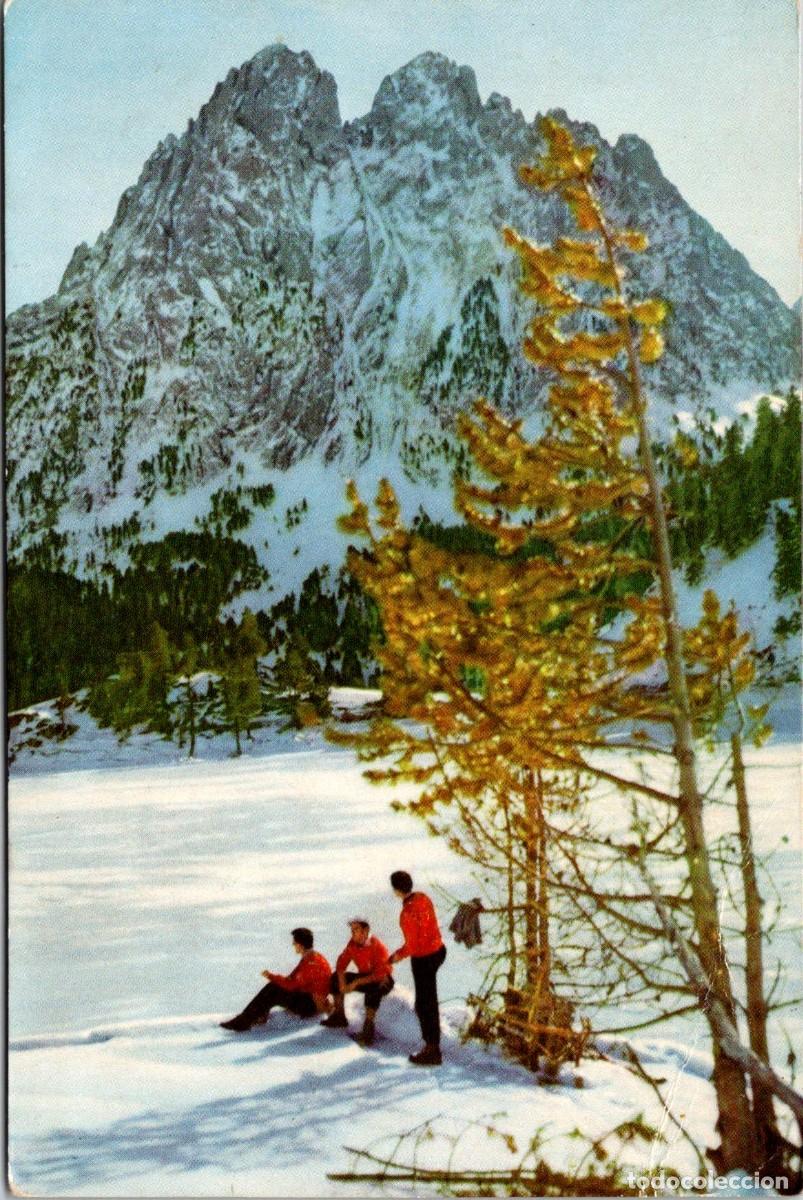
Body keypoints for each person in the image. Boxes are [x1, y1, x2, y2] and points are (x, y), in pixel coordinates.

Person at [220, 927, 332, 1032]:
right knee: (274, 987)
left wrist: (272, 977)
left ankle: (245, 1021)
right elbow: (293, 979)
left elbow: (291, 984)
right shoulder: (313, 957)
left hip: (310, 1005)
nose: (293, 945)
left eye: (294, 943)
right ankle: (253, 1016)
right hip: (309, 998)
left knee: (273, 988)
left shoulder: (311, 963)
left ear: (300, 945)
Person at [387, 871, 446, 1066]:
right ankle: (432, 1044)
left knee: (426, 1004)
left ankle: (432, 1049)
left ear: (396, 890)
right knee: (426, 1001)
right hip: (438, 951)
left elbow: (412, 945)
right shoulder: (423, 897)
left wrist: (395, 957)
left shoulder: (407, 913)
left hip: (424, 959)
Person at [321, 917, 394, 1046]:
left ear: (366, 931)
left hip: (383, 979)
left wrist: (355, 983)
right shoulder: (352, 944)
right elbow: (341, 963)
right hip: (364, 977)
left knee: (375, 988)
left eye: (356, 929)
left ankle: (368, 1030)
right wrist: (342, 983)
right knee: (335, 978)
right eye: (352, 930)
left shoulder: (377, 946)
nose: (352, 933)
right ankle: (339, 1016)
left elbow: (380, 974)